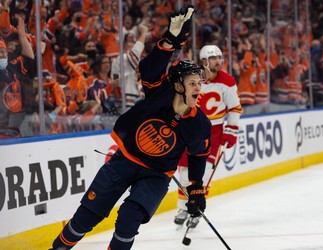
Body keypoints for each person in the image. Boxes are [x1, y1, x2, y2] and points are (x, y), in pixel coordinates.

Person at [50, 6, 212, 250]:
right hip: (124, 160)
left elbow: (198, 156)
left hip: (156, 175)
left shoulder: (200, 123)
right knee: (86, 217)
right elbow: (148, 70)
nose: (198, 88)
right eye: (192, 83)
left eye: (199, 83)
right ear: (178, 86)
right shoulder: (160, 93)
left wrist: (197, 187)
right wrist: (168, 42)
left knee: (128, 219)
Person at [174, 44, 242, 228]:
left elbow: (234, 108)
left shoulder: (227, 81)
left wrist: (231, 130)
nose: (218, 61)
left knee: (204, 172)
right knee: (185, 172)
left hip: (214, 132)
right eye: (213, 58)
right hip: (190, 129)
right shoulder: (193, 78)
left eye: (219, 57)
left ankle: (196, 209)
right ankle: (182, 207)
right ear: (204, 61)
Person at [111, 24, 148, 113]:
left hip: (139, 97)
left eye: (134, 41)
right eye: (129, 41)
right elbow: (115, 76)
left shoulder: (142, 62)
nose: (133, 44)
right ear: (124, 45)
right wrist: (144, 33)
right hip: (127, 98)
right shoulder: (121, 59)